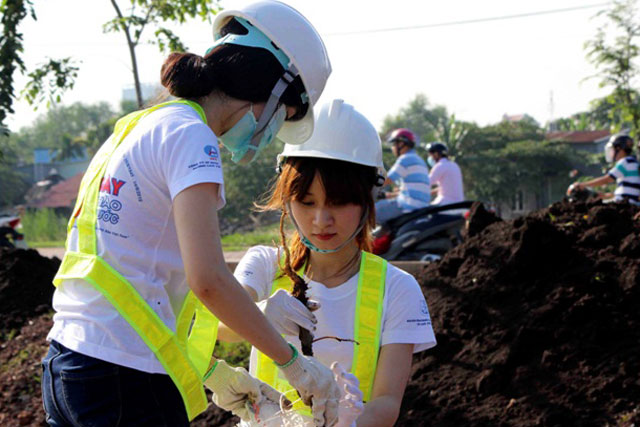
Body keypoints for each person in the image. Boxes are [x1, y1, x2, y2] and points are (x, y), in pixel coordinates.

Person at [41, 2, 341, 426]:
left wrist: (211, 371)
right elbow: (210, 281)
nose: (271, 134)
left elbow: (140, 283)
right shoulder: (193, 138)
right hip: (123, 380)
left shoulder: (142, 126)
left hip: (68, 365)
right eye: (281, 119)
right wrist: (292, 362)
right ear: (271, 94)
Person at [219, 100, 437, 426]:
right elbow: (222, 329)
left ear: (367, 199)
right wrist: (259, 313)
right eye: (307, 202)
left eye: (338, 202)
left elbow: (387, 402)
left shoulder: (397, 289)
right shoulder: (265, 265)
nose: (321, 220)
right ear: (288, 198)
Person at [375, 128, 431, 223]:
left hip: (407, 205)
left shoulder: (405, 159)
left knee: (371, 211)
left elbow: (386, 180)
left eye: (393, 144)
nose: (392, 148)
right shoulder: (419, 160)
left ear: (401, 144)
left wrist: (367, 184)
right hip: (421, 206)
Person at [567, 134, 640, 205]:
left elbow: (607, 179)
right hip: (631, 202)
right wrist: (606, 196)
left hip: (625, 203)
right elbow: (627, 190)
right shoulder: (633, 162)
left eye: (613, 149)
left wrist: (583, 185)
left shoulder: (624, 162)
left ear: (618, 149)